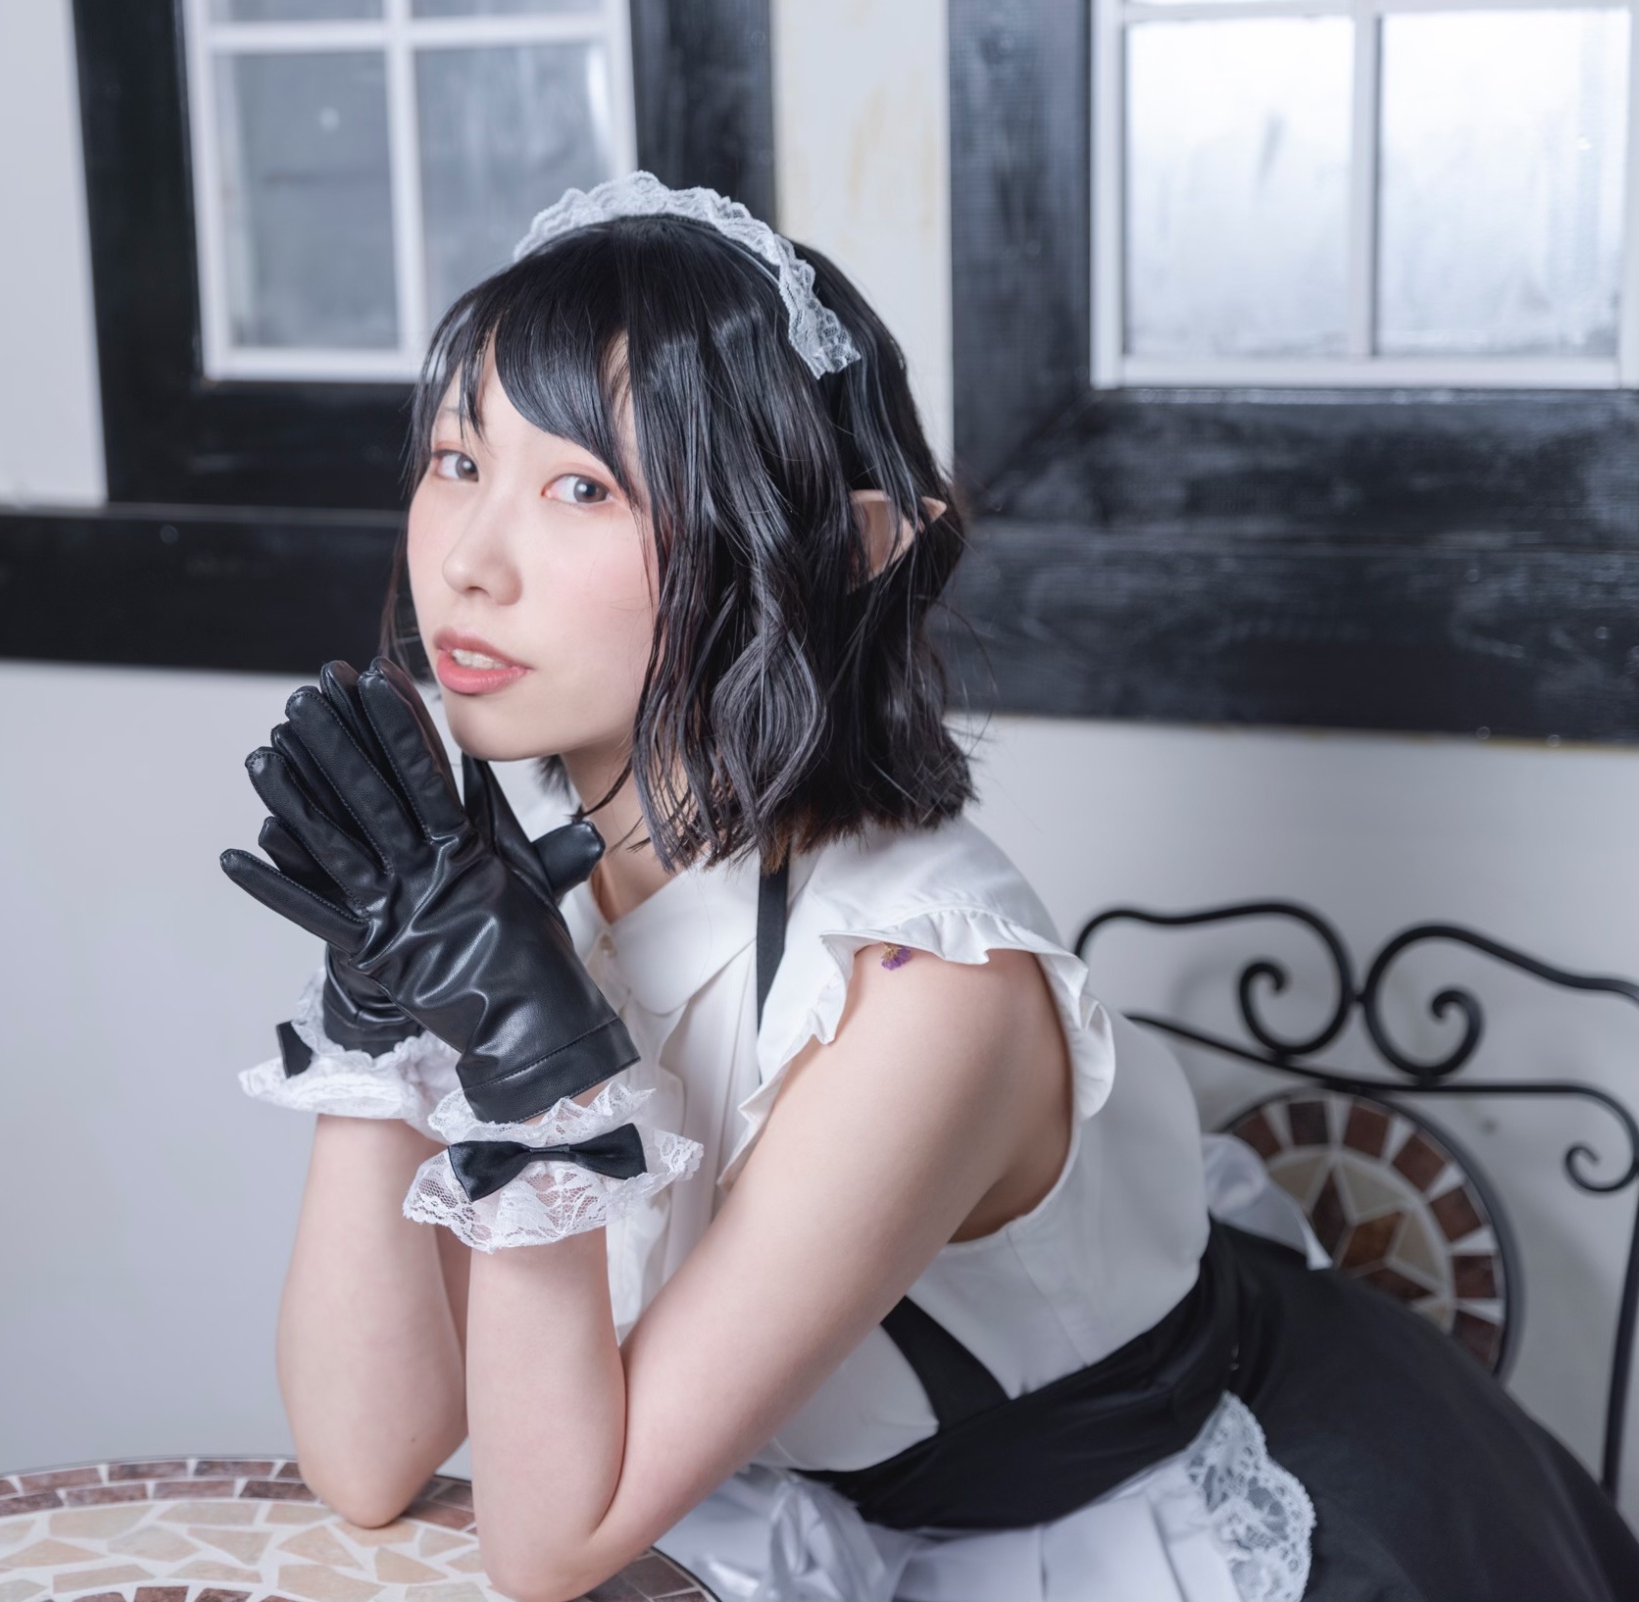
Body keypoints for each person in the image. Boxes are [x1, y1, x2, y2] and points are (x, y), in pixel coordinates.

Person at [217, 174, 1639, 1602]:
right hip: (786, 1503)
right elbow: (366, 1454)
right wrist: (380, 1003)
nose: (468, 561)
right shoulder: (517, 873)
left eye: (581, 487)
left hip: (1143, 1533)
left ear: (829, 548)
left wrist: (536, 1066)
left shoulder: (928, 991)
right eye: (458, 459)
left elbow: (546, 1540)